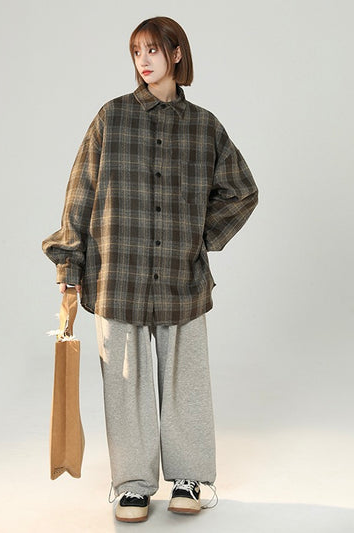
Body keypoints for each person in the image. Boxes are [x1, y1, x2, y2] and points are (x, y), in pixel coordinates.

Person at [42, 16, 258, 523]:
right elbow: (81, 192)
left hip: (181, 279)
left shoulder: (205, 126)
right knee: (125, 383)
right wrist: (70, 261)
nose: (143, 60)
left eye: (153, 50)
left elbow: (242, 191)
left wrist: (199, 239)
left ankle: (190, 479)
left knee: (186, 383)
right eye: (136, 51)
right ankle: (133, 485)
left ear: (176, 54)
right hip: (116, 276)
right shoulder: (111, 118)